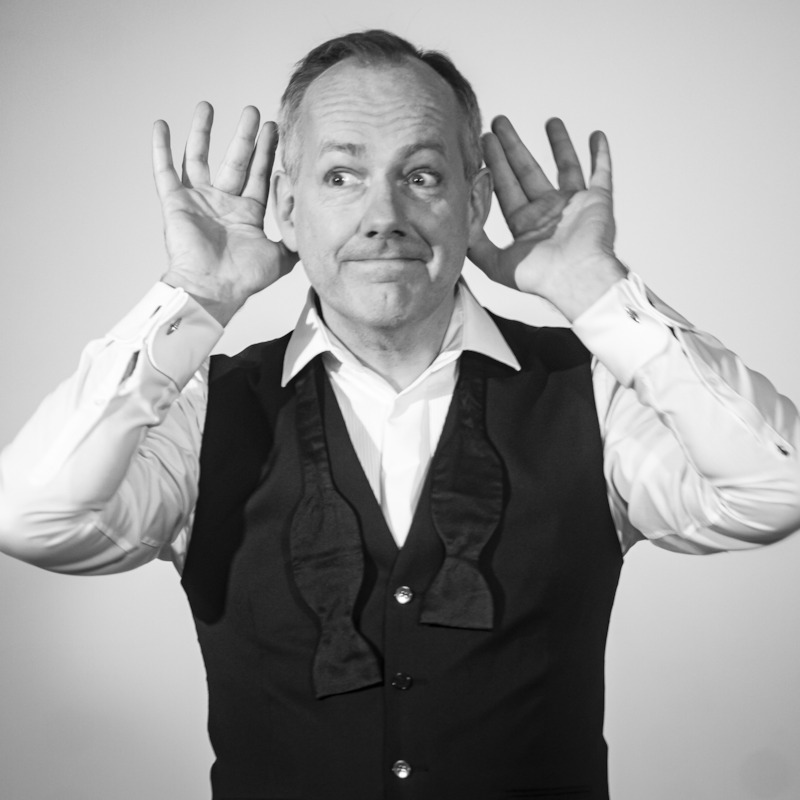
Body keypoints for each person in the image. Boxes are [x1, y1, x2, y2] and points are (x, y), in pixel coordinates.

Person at [1, 28, 799, 800]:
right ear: (288, 205)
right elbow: (33, 517)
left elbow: (777, 487)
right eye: (341, 176)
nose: (384, 214)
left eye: (420, 175)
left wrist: (594, 290)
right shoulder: (206, 410)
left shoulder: (588, 392)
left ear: (474, 202)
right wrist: (195, 297)